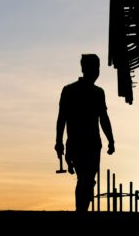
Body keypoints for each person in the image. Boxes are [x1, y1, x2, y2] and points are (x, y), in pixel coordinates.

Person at [55, 54, 115, 212]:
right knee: (85, 179)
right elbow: (62, 118)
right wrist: (58, 142)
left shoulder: (97, 93)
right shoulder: (70, 91)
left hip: (92, 144)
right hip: (79, 144)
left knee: (87, 180)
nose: (97, 72)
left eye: (98, 68)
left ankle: (81, 210)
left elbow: (103, 118)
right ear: (85, 69)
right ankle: (81, 211)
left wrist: (111, 140)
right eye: (95, 68)